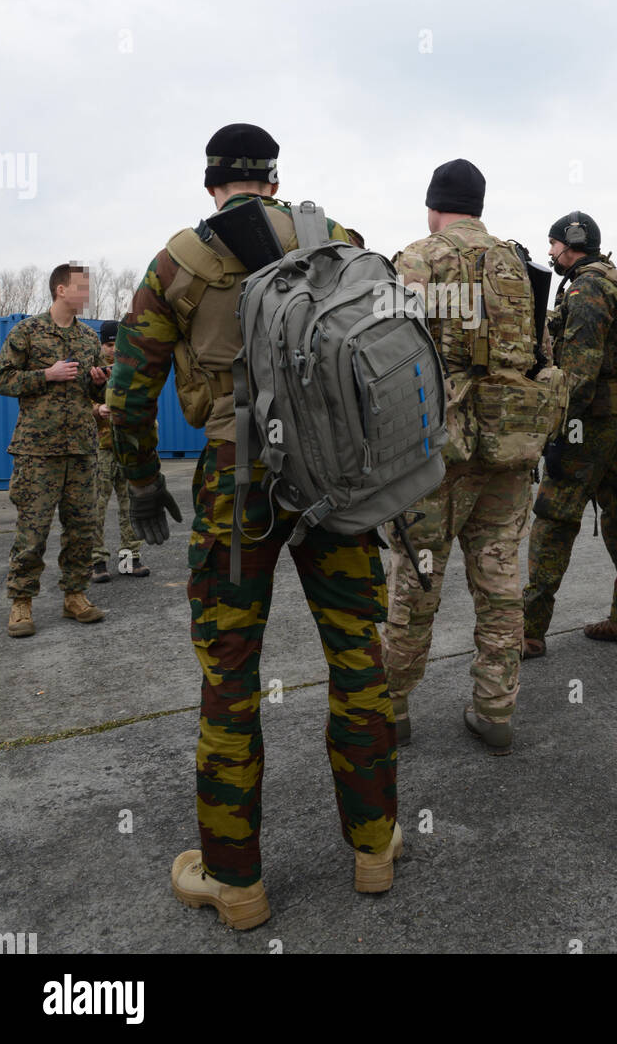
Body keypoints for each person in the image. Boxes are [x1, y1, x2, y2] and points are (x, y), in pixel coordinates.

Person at [107, 123, 400, 931]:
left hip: (238, 488)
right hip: (336, 479)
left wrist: (137, 481)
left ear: (212, 183)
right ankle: (374, 846)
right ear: (275, 179)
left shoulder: (179, 261)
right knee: (356, 660)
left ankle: (236, 884)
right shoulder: (335, 240)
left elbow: (133, 390)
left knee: (229, 677)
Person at [382, 158, 542, 755]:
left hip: (436, 450)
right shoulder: (516, 264)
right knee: (501, 579)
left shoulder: (418, 259)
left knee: (418, 577)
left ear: (434, 204)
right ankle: (495, 710)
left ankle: (393, 706)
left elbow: (385, 355)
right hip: (510, 444)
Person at [522, 212, 617, 658]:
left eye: (554, 244)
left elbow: (578, 376)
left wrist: (555, 433)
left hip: (589, 419)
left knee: (554, 519)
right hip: (616, 417)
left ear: (570, 245)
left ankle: (529, 630)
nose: (551, 252)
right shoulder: (614, 279)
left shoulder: (586, 288)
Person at [0, 262, 109, 636]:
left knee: (81, 528)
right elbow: (1, 379)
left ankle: (75, 596)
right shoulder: (27, 331)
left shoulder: (90, 339)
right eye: (81, 286)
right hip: (37, 450)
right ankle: (21, 603)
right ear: (61, 289)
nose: (86, 293)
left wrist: (98, 382)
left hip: (81, 448)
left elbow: (94, 395)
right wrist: (47, 374)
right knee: (33, 530)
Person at [89, 320, 149, 582]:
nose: (113, 350)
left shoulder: (131, 367)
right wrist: (96, 409)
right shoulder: (91, 367)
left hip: (127, 447)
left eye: (117, 345)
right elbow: (79, 400)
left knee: (131, 506)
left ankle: (129, 559)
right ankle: (97, 561)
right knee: (96, 506)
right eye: (109, 345)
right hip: (100, 449)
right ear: (102, 344)